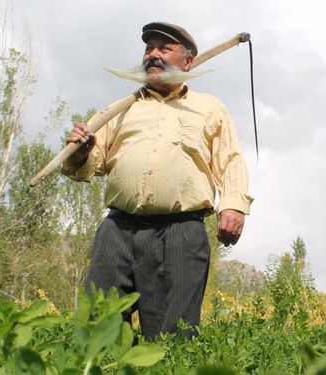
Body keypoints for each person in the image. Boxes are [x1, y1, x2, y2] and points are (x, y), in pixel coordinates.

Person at [62, 21, 253, 339]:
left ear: (187, 62)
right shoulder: (120, 110)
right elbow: (91, 165)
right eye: (149, 48)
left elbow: (230, 160)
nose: (153, 54)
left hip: (179, 233)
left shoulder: (208, 108)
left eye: (165, 49)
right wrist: (80, 154)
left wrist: (233, 206)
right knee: (97, 328)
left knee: (172, 336)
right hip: (118, 230)